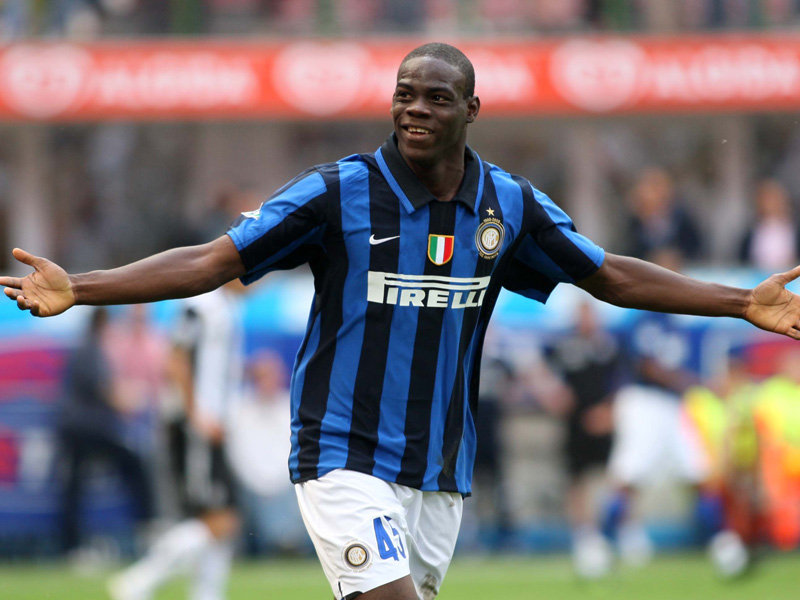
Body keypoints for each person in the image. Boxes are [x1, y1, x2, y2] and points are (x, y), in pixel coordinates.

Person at [5, 42, 800, 600]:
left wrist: (740, 302)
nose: (415, 110)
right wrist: (83, 287)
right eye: (404, 95)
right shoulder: (336, 192)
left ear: (472, 109)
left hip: (439, 471)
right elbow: (213, 261)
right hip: (341, 453)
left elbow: (611, 276)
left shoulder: (508, 205)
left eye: (436, 98)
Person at [106, 281, 246, 600]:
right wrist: (196, 414)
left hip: (211, 426)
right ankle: (138, 581)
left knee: (217, 517)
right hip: (196, 427)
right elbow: (176, 358)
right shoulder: (201, 305)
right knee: (221, 518)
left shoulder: (225, 307)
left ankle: (206, 594)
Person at [57, 307, 154, 559]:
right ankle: (146, 527)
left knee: (75, 487)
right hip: (87, 429)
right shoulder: (92, 349)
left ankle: (72, 546)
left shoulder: (85, 347)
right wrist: (132, 399)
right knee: (133, 464)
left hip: (79, 428)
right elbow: (106, 390)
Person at [544, 299, 622, 577]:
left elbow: (621, 382)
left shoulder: (608, 347)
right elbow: (540, 368)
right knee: (575, 480)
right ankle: (584, 535)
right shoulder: (565, 346)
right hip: (574, 424)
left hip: (602, 424)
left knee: (606, 478)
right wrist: (552, 394)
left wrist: (608, 412)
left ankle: (607, 532)